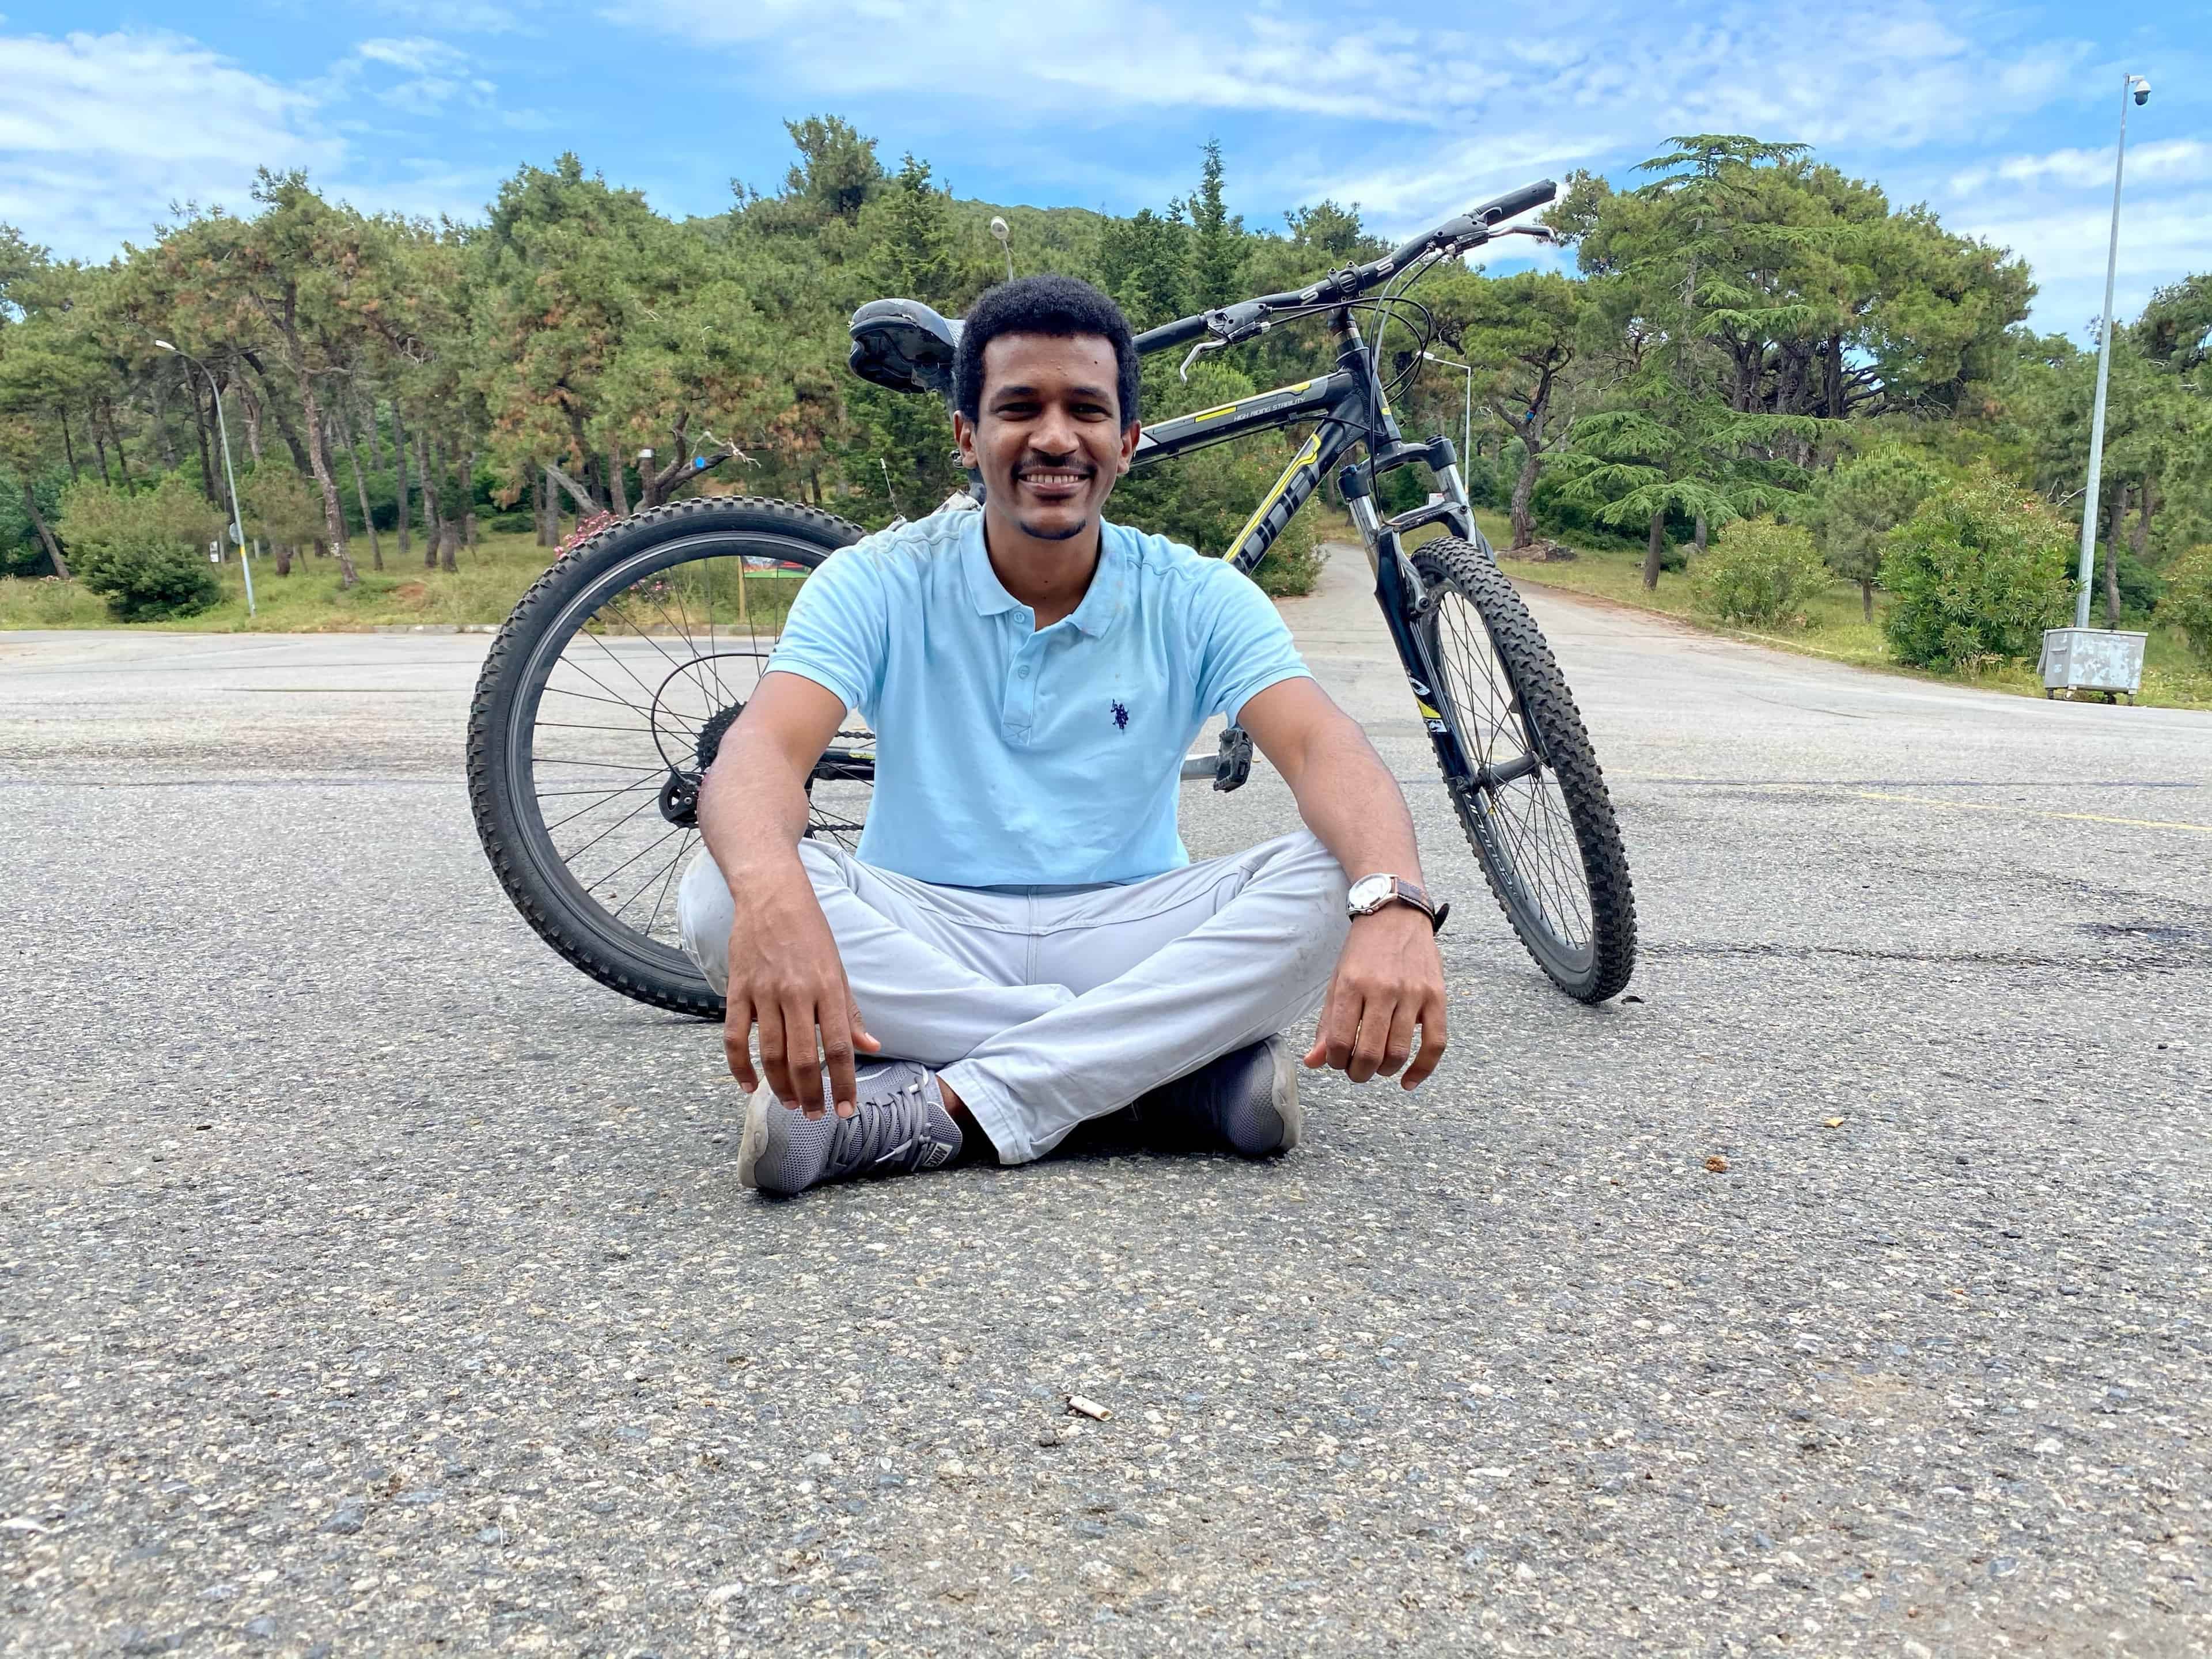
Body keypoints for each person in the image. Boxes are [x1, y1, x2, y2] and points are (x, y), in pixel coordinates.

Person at [676, 275, 1448, 1197]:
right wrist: (770, 895)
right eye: (1018, 409)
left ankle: (934, 1107)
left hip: (1131, 928)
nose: (1053, 437)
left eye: (1086, 410)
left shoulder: (1195, 595)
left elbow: (1325, 747)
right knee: (721, 886)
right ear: (967, 436)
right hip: (924, 922)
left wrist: (1395, 904)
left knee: (1343, 878)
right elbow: (761, 749)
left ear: (1125, 444)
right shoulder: (875, 580)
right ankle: (1155, 1075)